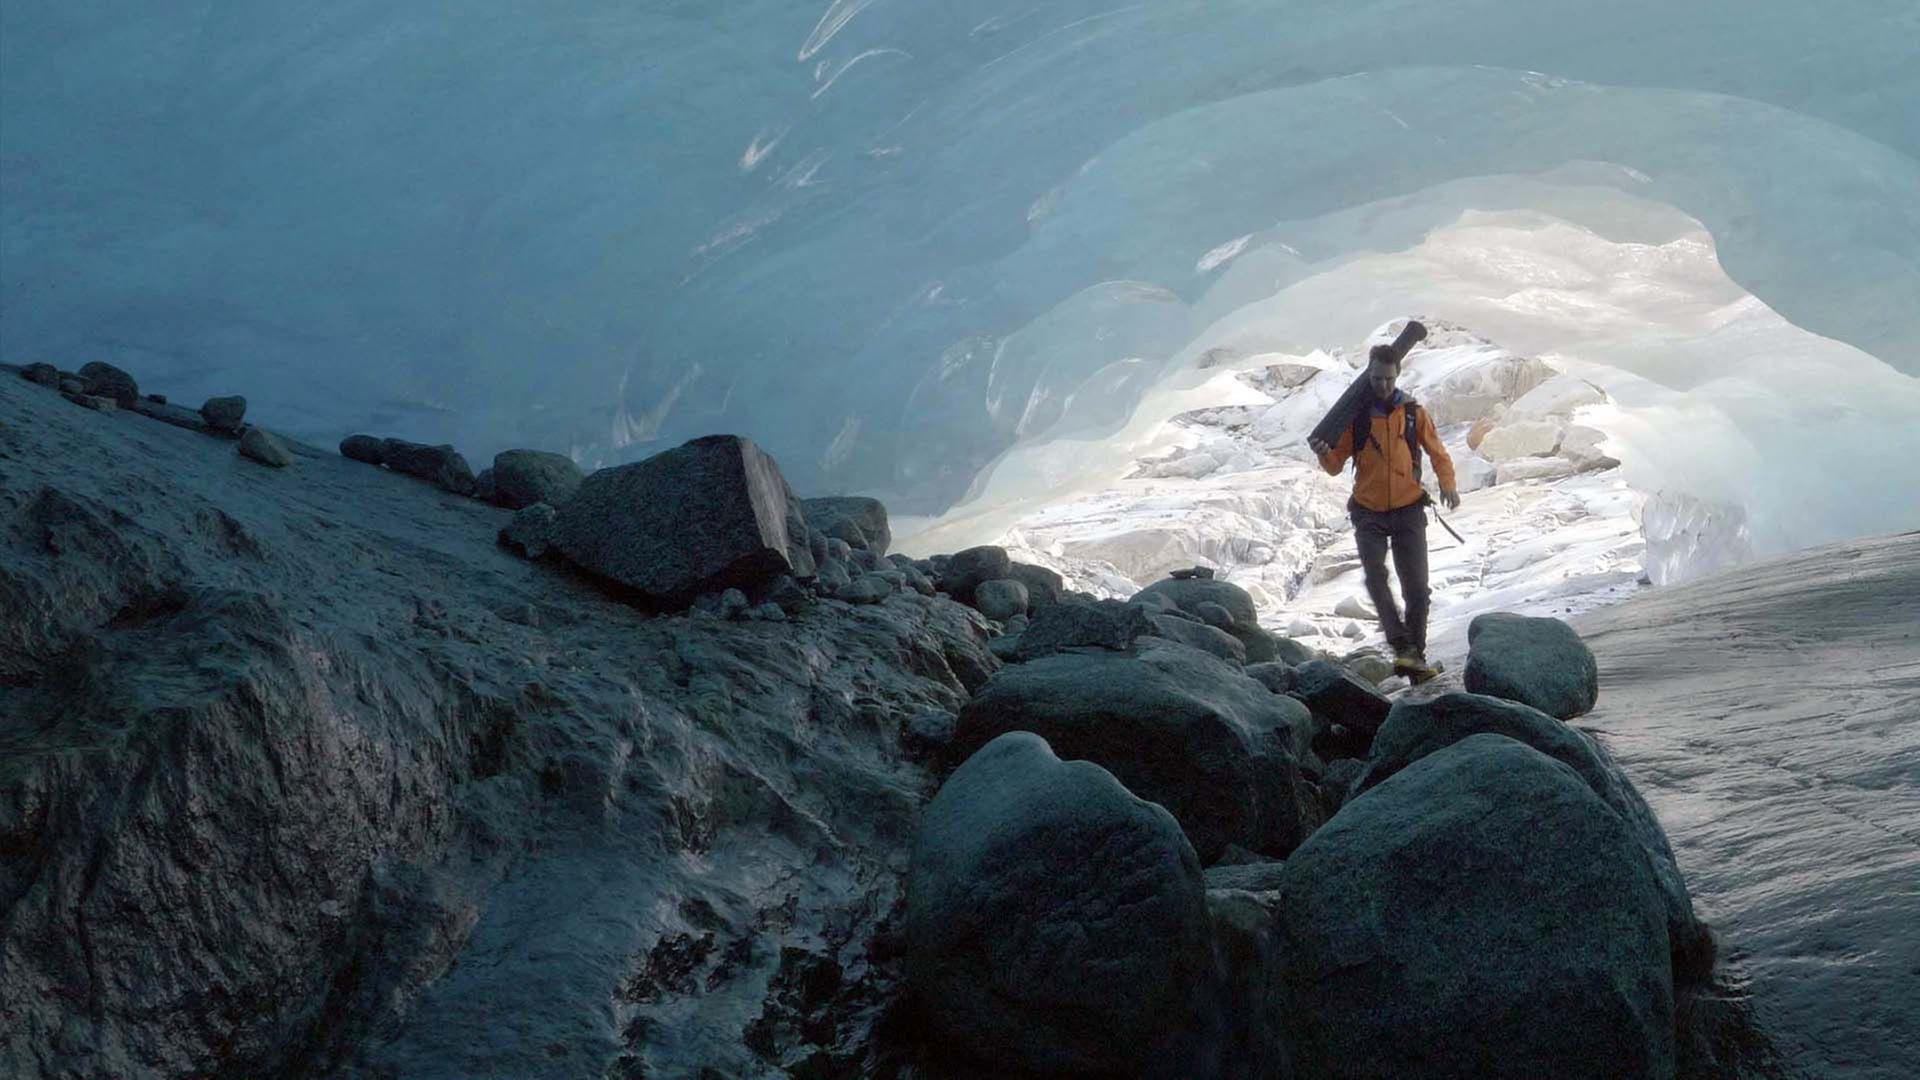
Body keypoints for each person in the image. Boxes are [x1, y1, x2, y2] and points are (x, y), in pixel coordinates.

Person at [1308, 344, 1460, 681]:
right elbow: (1335, 466)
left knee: (1417, 590)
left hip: (1408, 509)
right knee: (1376, 577)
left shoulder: (1412, 413)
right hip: (1368, 512)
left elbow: (1438, 453)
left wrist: (1448, 484)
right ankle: (1402, 646)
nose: (1383, 385)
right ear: (1368, 376)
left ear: (1398, 375)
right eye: (1377, 379)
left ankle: (1415, 659)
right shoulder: (1357, 418)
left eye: (1389, 379)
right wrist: (1323, 453)